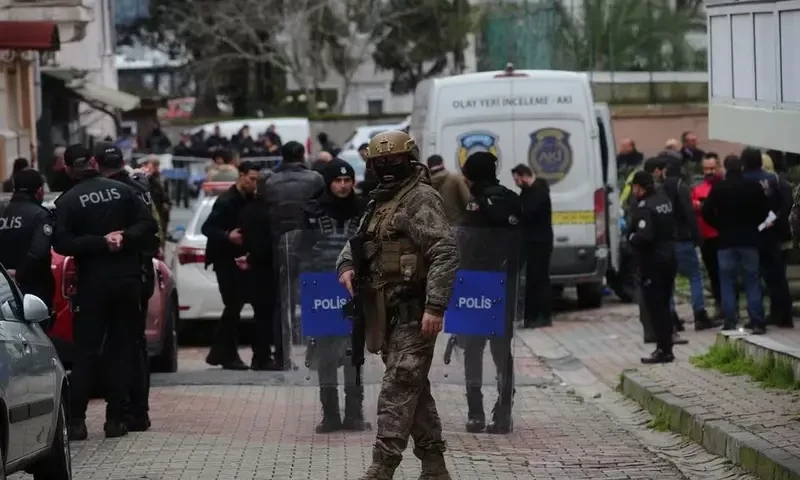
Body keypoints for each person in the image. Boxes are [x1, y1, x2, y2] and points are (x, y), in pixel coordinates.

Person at [336, 130, 458, 479]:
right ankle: (435, 467)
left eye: (394, 160)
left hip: (414, 312)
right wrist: (345, 265)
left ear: (410, 159)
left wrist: (435, 306)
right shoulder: (381, 201)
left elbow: (444, 252)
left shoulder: (420, 199)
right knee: (413, 389)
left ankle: (382, 467)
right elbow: (358, 242)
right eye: (380, 162)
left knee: (398, 385)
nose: (387, 167)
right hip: (383, 314)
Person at [54, 144, 158, 440]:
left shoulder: (68, 201)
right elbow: (148, 225)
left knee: (86, 352)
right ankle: (115, 421)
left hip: (92, 284)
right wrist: (122, 238)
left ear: (68, 167)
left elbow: (62, 243)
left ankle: (76, 422)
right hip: (126, 281)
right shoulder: (123, 192)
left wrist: (99, 243)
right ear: (93, 162)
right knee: (121, 351)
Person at [94, 143, 161, 432]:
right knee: (135, 344)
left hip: (117, 274)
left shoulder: (105, 191)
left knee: (119, 345)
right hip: (139, 272)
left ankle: (126, 410)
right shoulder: (139, 185)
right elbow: (154, 227)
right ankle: (137, 410)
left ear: (97, 164)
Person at [303, 159, 371, 433]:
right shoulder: (313, 210)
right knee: (325, 356)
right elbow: (303, 250)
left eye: (347, 180)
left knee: (353, 354)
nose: (343, 186)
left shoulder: (364, 209)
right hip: (322, 291)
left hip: (354, 291)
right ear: (328, 182)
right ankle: (330, 414)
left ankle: (354, 413)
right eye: (337, 181)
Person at [459, 152, 521, 435]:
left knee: (472, 348)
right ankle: (504, 412)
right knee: (501, 349)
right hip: (503, 282)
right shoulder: (511, 197)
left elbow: (468, 243)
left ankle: (475, 413)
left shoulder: (476, 202)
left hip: (475, 282)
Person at [261, 141, 325, 369]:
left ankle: (283, 356)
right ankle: (316, 353)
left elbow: (264, 215)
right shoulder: (315, 179)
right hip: (309, 244)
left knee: (283, 304)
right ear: (302, 155)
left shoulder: (269, 182)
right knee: (314, 299)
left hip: (279, 245)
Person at [202, 162, 262, 370]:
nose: (254, 184)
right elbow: (207, 228)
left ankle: (220, 352)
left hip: (243, 261)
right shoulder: (226, 201)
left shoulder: (251, 199)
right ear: (241, 176)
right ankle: (226, 354)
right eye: (251, 179)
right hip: (225, 261)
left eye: (257, 180)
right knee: (233, 306)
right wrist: (228, 236)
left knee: (235, 307)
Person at [702, 155, 769, 333]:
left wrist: (719, 225)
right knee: (752, 280)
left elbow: (706, 210)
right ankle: (757, 320)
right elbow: (764, 211)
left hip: (725, 241)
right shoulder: (753, 187)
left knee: (727, 281)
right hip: (749, 239)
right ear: (742, 167)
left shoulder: (719, 188)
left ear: (724, 167)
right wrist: (754, 225)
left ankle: (730, 320)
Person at [626, 171, 677, 364]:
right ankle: (667, 346)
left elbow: (643, 237)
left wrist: (631, 238)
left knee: (656, 307)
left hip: (653, 263)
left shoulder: (645, 207)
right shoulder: (663, 200)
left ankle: (663, 349)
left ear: (640, 187)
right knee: (665, 303)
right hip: (669, 257)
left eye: (634, 187)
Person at [741, 147, 792, 329]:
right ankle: (784, 315)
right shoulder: (774, 180)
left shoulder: (743, 180)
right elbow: (786, 204)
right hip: (772, 231)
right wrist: (776, 219)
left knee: (755, 276)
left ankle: (760, 315)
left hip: (752, 234)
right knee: (777, 275)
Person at [662, 159, 711, 329]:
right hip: (683, 238)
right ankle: (699, 314)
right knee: (695, 276)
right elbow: (690, 214)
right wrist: (698, 237)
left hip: (667, 240)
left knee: (670, 280)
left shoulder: (660, 188)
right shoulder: (681, 187)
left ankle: (671, 317)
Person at [0, 169, 55, 310]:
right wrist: (19, 274)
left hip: (3, 287)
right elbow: (38, 251)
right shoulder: (41, 216)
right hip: (34, 289)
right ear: (40, 190)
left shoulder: (2, 213)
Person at [511, 163, 553, 328]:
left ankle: (543, 315)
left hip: (540, 242)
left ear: (524, 176)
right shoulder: (527, 191)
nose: (516, 183)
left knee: (540, 279)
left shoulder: (539, 190)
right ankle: (530, 316)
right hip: (529, 241)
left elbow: (528, 211)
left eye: (517, 180)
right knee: (531, 280)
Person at [692, 152, 724, 320]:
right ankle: (720, 305)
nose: (709, 172)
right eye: (706, 169)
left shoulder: (723, 186)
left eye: (712, 168)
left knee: (725, 273)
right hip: (706, 237)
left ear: (718, 167)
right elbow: (693, 207)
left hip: (722, 235)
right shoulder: (698, 189)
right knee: (712, 273)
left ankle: (728, 305)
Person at [427, 154, 470, 225]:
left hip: (435, 229)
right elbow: (467, 202)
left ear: (428, 166)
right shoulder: (456, 179)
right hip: (456, 228)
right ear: (442, 163)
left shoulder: (425, 183)